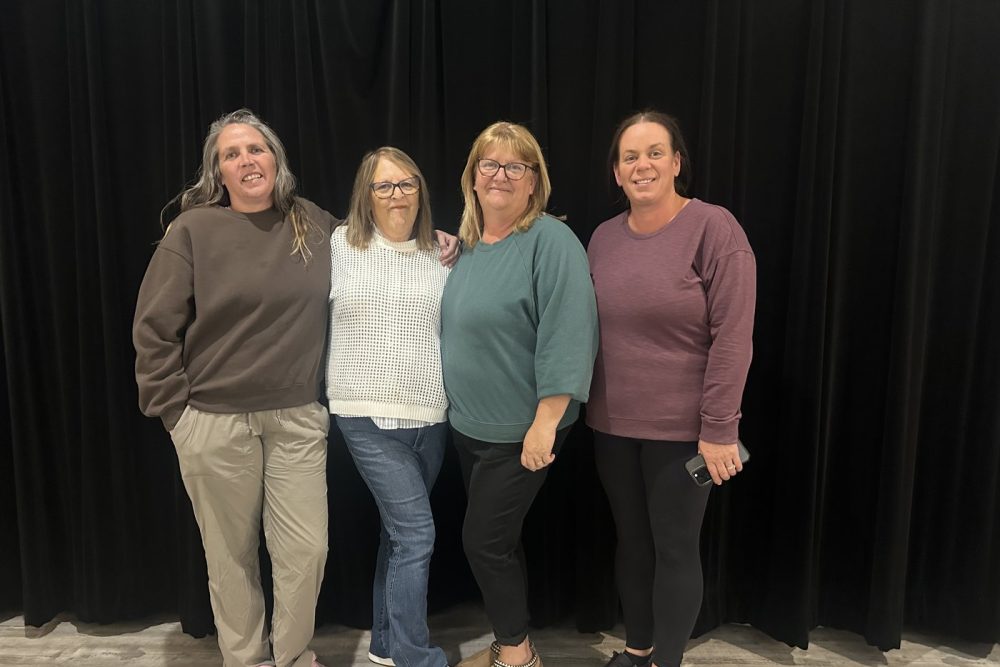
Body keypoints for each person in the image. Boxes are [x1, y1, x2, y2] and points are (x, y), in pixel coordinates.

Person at [133, 109, 458, 667]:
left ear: (275, 159)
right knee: (231, 558)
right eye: (232, 154)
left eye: (256, 149)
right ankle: (246, 660)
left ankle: (289, 656)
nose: (246, 160)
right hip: (213, 421)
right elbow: (153, 327)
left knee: (306, 552)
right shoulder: (193, 230)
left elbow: (380, 234)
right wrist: (174, 414)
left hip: (296, 420)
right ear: (218, 171)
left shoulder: (313, 223)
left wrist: (437, 242)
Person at [586, 111, 756, 667]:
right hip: (612, 425)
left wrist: (720, 429)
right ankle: (638, 651)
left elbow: (733, 337)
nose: (643, 166)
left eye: (655, 153)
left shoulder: (714, 228)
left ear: (677, 162)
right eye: (630, 156)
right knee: (632, 542)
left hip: (685, 432)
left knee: (675, 547)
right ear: (617, 172)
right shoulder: (602, 238)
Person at [441, 122, 599, 667]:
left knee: (483, 542)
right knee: (500, 543)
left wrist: (545, 422)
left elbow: (569, 332)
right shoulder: (466, 245)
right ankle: (509, 639)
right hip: (471, 428)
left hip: (521, 430)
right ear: (473, 176)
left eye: (516, 166)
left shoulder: (550, 241)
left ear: (534, 181)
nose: (500, 175)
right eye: (489, 164)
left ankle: (518, 655)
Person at [327, 147, 450, 667]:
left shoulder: (442, 254)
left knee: (397, 535)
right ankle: (414, 658)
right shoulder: (340, 245)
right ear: (367, 195)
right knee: (417, 535)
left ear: (420, 190)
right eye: (384, 185)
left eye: (407, 183)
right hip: (365, 416)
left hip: (431, 419)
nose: (397, 194)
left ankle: (384, 645)